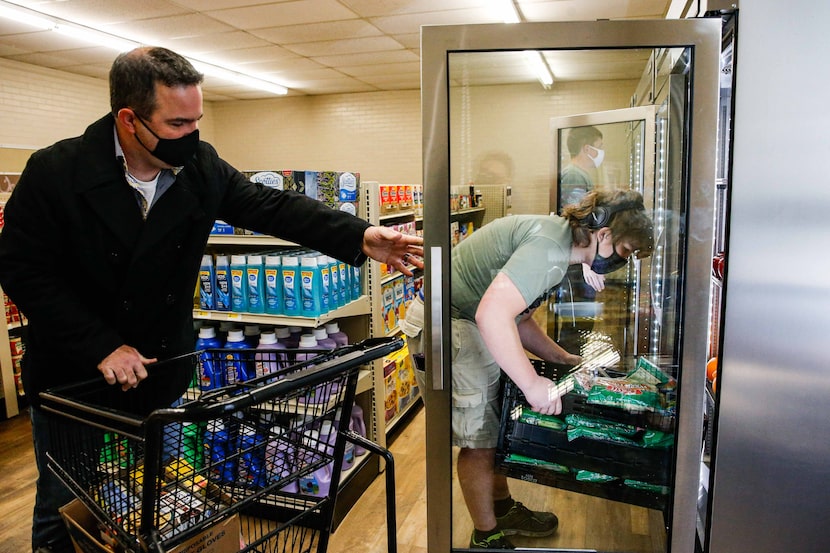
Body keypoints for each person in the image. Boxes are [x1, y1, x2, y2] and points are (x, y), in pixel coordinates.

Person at [0, 46, 423, 553]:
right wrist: (101, 345)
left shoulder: (199, 164)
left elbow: (271, 206)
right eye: (178, 123)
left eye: (197, 119)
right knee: (65, 503)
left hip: (165, 367)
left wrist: (359, 236)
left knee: (168, 495)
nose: (192, 134)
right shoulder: (56, 172)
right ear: (129, 119)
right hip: (78, 376)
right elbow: (21, 270)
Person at [403, 188, 653, 549]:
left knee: (495, 430)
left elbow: (516, 317)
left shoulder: (557, 244)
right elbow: (493, 314)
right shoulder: (548, 248)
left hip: (466, 323)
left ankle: (502, 510)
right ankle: (486, 538)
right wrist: (532, 383)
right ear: (603, 235)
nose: (621, 262)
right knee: (480, 440)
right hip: (448, 325)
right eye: (625, 251)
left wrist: (559, 358)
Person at [558, 125, 606, 351]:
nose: (601, 152)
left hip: (580, 258)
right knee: (577, 322)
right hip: (577, 262)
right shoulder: (574, 176)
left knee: (580, 321)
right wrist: (587, 261)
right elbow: (577, 220)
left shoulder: (580, 175)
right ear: (586, 148)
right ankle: (568, 370)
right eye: (599, 147)